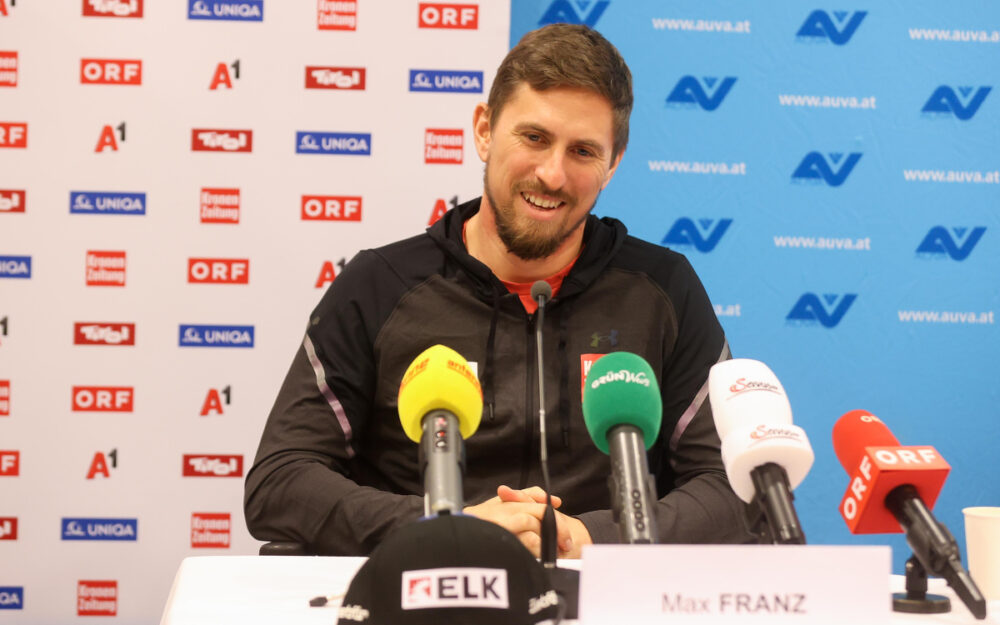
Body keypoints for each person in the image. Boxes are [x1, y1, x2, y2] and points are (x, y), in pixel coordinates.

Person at [244, 23, 751, 557]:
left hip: (601, 595)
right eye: (533, 138)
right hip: (425, 591)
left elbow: (735, 486)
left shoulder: (663, 288)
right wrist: (445, 525)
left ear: (613, 163)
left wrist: (592, 536)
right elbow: (280, 483)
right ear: (484, 131)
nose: (552, 175)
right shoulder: (379, 286)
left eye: (582, 151)